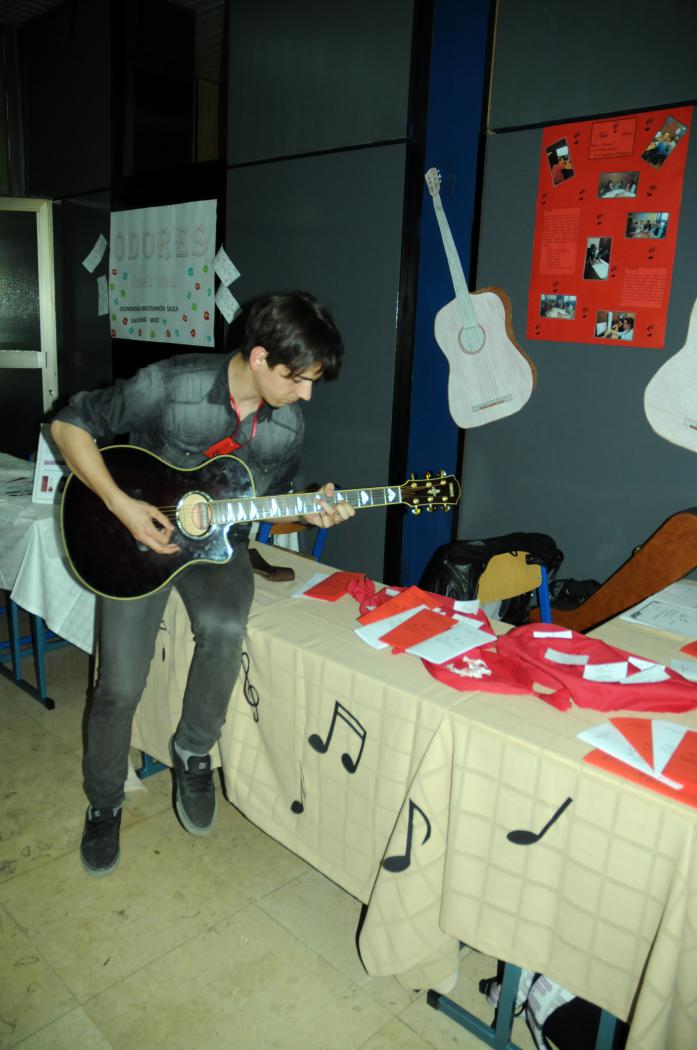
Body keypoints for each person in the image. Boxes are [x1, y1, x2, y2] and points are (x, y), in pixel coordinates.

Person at [50, 291, 355, 877]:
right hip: (132, 541)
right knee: (120, 685)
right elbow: (69, 426)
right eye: (298, 379)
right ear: (260, 358)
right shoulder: (171, 384)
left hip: (215, 545)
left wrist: (309, 515)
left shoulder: (287, 427)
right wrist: (122, 507)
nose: (306, 395)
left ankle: (193, 750)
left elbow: (261, 510)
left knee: (224, 625)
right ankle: (104, 801)